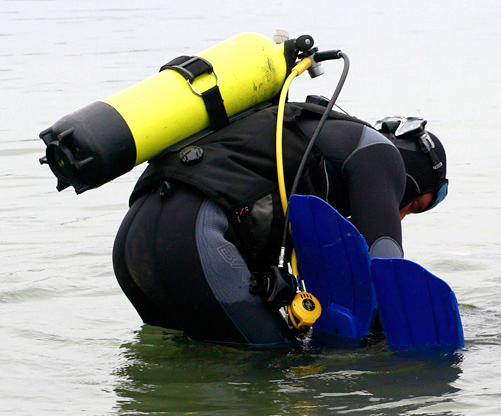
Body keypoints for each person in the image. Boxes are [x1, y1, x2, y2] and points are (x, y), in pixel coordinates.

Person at [112, 100, 448, 347]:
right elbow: (388, 267)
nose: (400, 214)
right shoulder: (380, 155)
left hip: (131, 246)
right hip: (196, 239)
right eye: (415, 205)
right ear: (413, 176)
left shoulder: (310, 135)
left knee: (184, 364)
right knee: (277, 363)